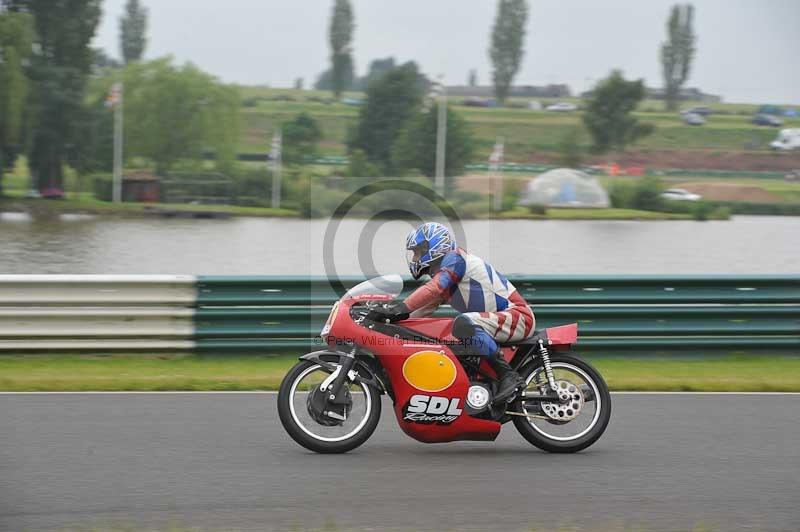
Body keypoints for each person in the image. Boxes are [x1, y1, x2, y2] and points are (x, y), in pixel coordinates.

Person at [368, 222, 535, 402]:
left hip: (518, 317)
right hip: (498, 321)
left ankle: (508, 376)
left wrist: (401, 307)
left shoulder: (455, 259)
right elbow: (420, 311)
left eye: (417, 251)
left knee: (463, 323)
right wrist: (390, 323)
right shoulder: (446, 276)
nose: (415, 258)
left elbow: (432, 289)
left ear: (431, 247)